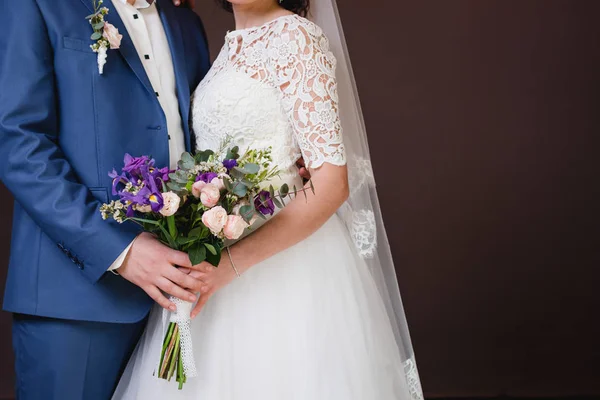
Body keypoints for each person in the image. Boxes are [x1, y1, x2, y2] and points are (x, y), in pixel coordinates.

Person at [113, 0, 424, 399]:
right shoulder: (229, 46)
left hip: (286, 268)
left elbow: (331, 184)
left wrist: (227, 267)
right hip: (216, 254)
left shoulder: (296, 37)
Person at [0, 0, 212, 398]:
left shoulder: (186, 21)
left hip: (180, 297)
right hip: (74, 299)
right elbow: (18, 144)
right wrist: (122, 251)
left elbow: (204, 134)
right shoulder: (35, 4)